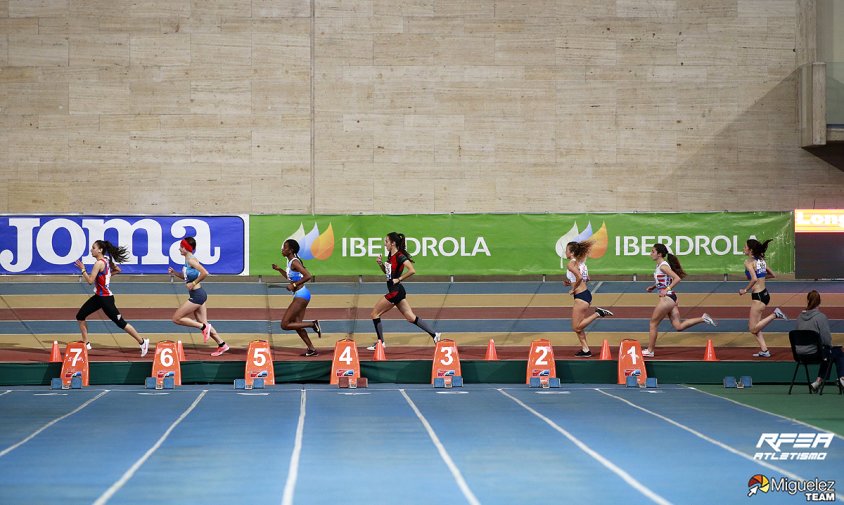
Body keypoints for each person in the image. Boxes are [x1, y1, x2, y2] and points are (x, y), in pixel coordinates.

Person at [74, 240, 149, 357]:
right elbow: (118, 270)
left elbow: (89, 281)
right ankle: (86, 343)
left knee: (120, 323)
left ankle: (143, 342)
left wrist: (82, 269)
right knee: (80, 316)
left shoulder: (98, 263)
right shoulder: (107, 260)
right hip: (98, 297)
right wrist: (106, 276)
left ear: (100, 250)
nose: (91, 250)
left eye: (93, 248)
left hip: (106, 299)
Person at [369, 232, 441, 350]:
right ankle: (435, 334)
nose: (385, 244)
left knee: (374, 314)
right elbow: (389, 274)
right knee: (411, 317)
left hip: (395, 292)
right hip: (397, 291)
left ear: (393, 243)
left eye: (386, 242)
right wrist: (381, 264)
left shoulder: (400, 256)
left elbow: (412, 270)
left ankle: (381, 343)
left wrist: (399, 279)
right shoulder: (390, 256)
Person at [643, 244, 717, 357]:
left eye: (653, 251)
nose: (650, 253)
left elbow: (677, 278)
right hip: (671, 298)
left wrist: (666, 289)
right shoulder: (661, 265)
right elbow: (664, 280)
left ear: (659, 254)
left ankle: (650, 350)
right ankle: (703, 318)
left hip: (666, 299)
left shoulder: (663, 266)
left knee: (653, 324)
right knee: (678, 326)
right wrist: (654, 287)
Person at [168, 237, 228, 356]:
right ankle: (222, 345)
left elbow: (205, 272)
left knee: (176, 318)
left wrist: (193, 283)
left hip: (198, 295)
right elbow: (187, 277)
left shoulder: (191, 260)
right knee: (205, 322)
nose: (179, 248)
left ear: (186, 248)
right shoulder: (187, 260)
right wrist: (175, 273)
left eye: (181, 246)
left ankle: (202, 327)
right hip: (198, 294)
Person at [738, 238, 788, 358]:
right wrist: (762, 279)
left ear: (750, 250)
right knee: (756, 326)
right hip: (764, 294)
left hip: (758, 296)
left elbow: (754, 279)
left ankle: (775, 315)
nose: (743, 248)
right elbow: (773, 275)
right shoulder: (761, 260)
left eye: (745, 247)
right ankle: (765, 350)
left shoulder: (748, 262)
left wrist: (745, 290)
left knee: (752, 328)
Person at [563, 240, 613, 357]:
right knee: (579, 327)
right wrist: (570, 282)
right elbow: (587, 278)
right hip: (585, 294)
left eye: (566, 250)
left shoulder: (571, 264)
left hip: (580, 296)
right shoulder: (581, 263)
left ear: (571, 252)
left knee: (576, 327)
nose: (565, 252)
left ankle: (598, 313)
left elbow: (580, 277)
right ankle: (586, 350)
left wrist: (573, 289)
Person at [272, 239, 321, 357]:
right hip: (301, 295)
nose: (282, 250)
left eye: (285, 247)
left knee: (285, 324)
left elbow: (308, 276)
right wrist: (279, 270)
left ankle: (312, 325)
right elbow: (291, 278)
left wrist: (293, 285)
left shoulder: (294, 262)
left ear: (291, 250)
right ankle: (312, 349)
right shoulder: (290, 262)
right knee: (297, 325)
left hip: (301, 295)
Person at [799, 291, 844, 392]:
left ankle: (818, 382)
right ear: (820, 302)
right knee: (837, 352)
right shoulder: (821, 317)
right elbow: (827, 339)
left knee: (827, 353)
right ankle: (842, 378)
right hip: (816, 354)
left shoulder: (799, 317)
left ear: (807, 300)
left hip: (799, 354)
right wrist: (830, 346)